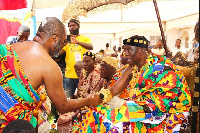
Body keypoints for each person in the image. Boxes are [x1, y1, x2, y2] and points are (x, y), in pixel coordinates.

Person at [72, 35, 191, 133]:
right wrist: (97, 98)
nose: (125, 53)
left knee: (114, 123)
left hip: (167, 115)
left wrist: (125, 106)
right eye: (124, 50)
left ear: (142, 51)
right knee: (95, 112)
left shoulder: (160, 68)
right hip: (142, 108)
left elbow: (164, 103)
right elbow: (113, 90)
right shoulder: (131, 68)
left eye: (130, 50)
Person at [0, 17, 100, 132]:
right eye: (63, 42)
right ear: (55, 38)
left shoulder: (9, 48)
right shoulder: (50, 66)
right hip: (13, 126)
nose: (63, 46)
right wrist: (89, 101)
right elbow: (63, 106)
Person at [59, 17, 93, 98]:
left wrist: (77, 42)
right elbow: (60, 53)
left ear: (78, 26)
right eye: (70, 26)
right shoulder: (67, 40)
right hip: (69, 75)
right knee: (67, 98)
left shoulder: (84, 39)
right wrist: (62, 44)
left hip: (82, 74)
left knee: (82, 98)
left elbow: (91, 47)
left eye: (74, 25)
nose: (71, 27)